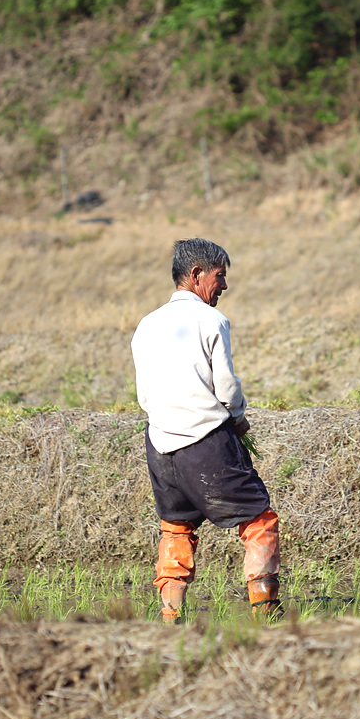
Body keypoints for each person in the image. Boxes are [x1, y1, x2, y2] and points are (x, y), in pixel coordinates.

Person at [130, 237, 281, 623]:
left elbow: (144, 396)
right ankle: (266, 611)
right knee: (259, 520)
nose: (224, 286)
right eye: (220, 276)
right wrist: (238, 417)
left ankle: (169, 616)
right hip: (206, 442)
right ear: (196, 274)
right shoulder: (210, 320)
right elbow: (226, 387)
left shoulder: (146, 325)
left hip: (160, 446)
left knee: (176, 529)